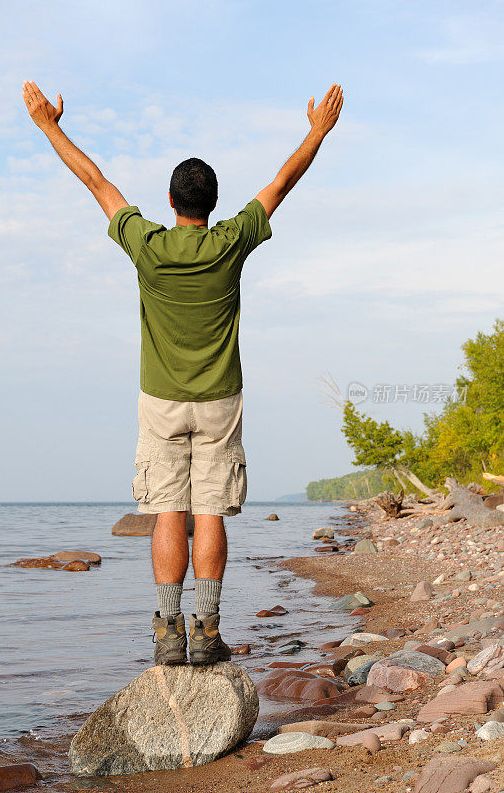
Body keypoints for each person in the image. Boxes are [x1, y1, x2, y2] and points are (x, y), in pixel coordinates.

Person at [22, 79, 344, 666]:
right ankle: (208, 629)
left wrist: (48, 125)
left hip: (161, 400)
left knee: (169, 509)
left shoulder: (147, 244)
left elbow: (95, 181)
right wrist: (317, 130)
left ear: (170, 203)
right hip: (221, 400)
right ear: (211, 205)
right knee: (210, 510)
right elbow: (282, 183)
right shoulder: (231, 241)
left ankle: (169, 631)